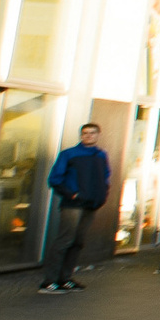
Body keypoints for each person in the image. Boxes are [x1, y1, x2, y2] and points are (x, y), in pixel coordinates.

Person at [39, 123, 109, 293]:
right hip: (73, 205)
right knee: (64, 241)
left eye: (92, 133)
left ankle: (65, 279)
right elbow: (55, 179)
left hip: (91, 204)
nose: (89, 136)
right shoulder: (69, 154)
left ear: (98, 135)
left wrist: (102, 195)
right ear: (81, 135)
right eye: (85, 133)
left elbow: (106, 177)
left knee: (78, 242)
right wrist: (72, 194)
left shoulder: (101, 155)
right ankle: (49, 281)